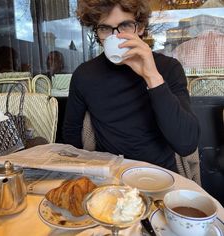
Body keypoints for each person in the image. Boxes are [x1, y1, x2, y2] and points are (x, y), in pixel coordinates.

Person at [62, 0, 200, 172]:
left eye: (125, 25)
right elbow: (71, 136)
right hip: (109, 176)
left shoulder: (168, 68)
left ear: (141, 27)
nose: (116, 36)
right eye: (105, 28)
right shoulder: (84, 75)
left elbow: (187, 143)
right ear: (97, 32)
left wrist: (152, 77)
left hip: (160, 176)